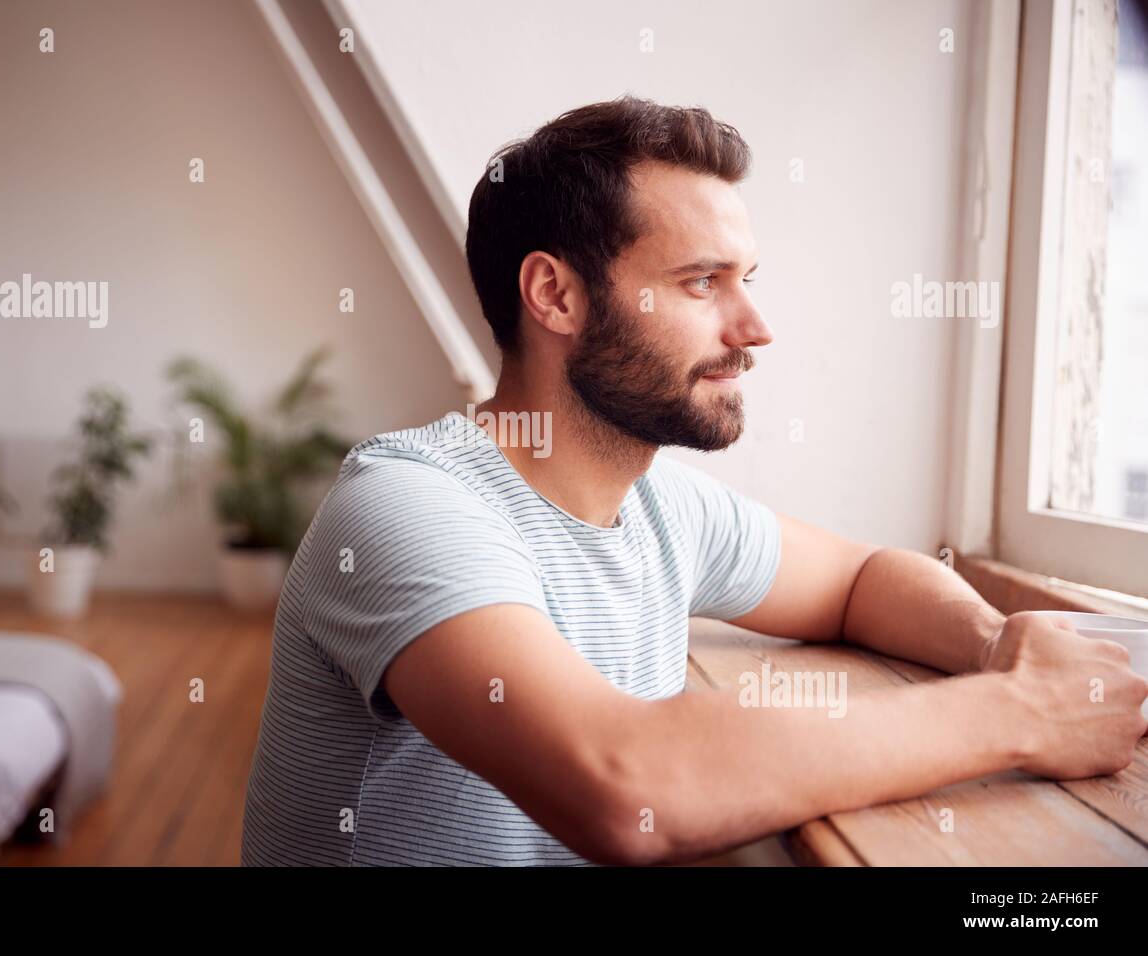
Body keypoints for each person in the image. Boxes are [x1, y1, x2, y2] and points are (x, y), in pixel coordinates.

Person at [241, 96, 1148, 866]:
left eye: (745, 278)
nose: (754, 327)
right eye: (702, 282)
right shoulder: (407, 508)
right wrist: (1020, 709)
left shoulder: (658, 508)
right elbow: (623, 782)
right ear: (555, 296)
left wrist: (1001, 648)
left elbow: (862, 578)